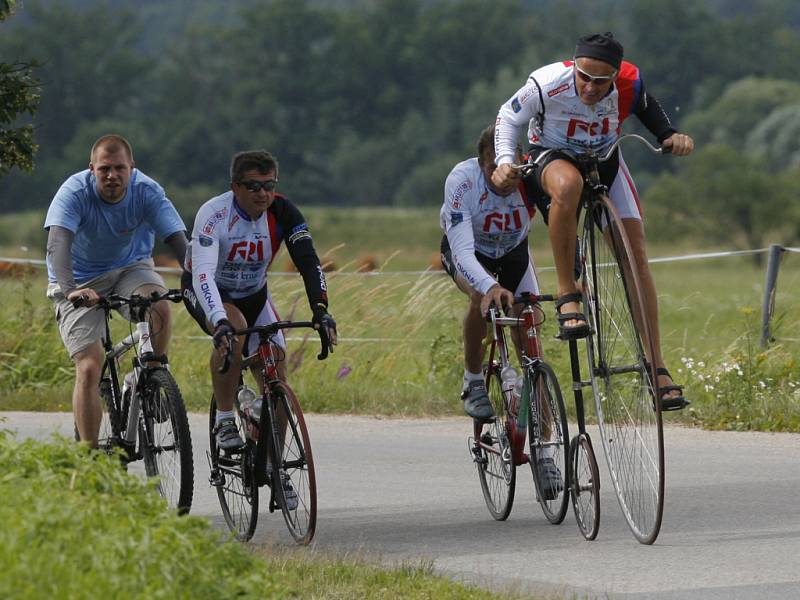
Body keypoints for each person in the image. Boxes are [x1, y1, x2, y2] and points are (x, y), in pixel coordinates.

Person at [492, 32, 691, 410]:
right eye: (584, 76)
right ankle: (569, 296)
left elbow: (651, 110)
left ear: (615, 76)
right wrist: (504, 161)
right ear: (575, 66)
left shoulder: (629, 82)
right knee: (568, 186)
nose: (590, 87)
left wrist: (671, 136)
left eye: (602, 81)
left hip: (605, 160)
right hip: (552, 157)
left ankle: (657, 367)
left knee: (635, 256)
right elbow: (508, 116)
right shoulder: (547, 83)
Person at [181, 150, 337, 505]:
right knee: (233, 330)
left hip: (254, 293)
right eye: (253, 186)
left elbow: (309, 262)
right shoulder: (214, 215)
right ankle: (224, 418)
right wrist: (218, 319)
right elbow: (203, 272)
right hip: (207, 290)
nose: (262, 194)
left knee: (277, 369)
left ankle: (275, 466)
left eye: (269, 186)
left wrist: (321, 310)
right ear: (235, 186)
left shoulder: (284, 212)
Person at [45, 134, 188, 447]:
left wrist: (194, 280)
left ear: (131, 168)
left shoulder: (146, 191)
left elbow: (177, 240)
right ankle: (90, 456)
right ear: (91, 169)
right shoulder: (73, 192)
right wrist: (71, 290)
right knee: (89, 366)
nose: (112, 175)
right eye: (104, 169)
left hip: (130, 268)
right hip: (77, 278)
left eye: (119, 168)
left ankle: (151, 378)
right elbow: (58, 244)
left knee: (159, 305)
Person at [439, 125, 562, 490]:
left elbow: (560, 221)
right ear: (482, 163)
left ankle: (545, 455)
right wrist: (489, 284)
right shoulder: (462, 181)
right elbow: (461, 250)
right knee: (482, 297)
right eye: (495, 166)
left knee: (532, 347)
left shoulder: (530, 179)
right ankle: (474, 380)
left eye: (510, 165)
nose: (504, 176)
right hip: (469, 253)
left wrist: (576, 275)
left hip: (512, 254)